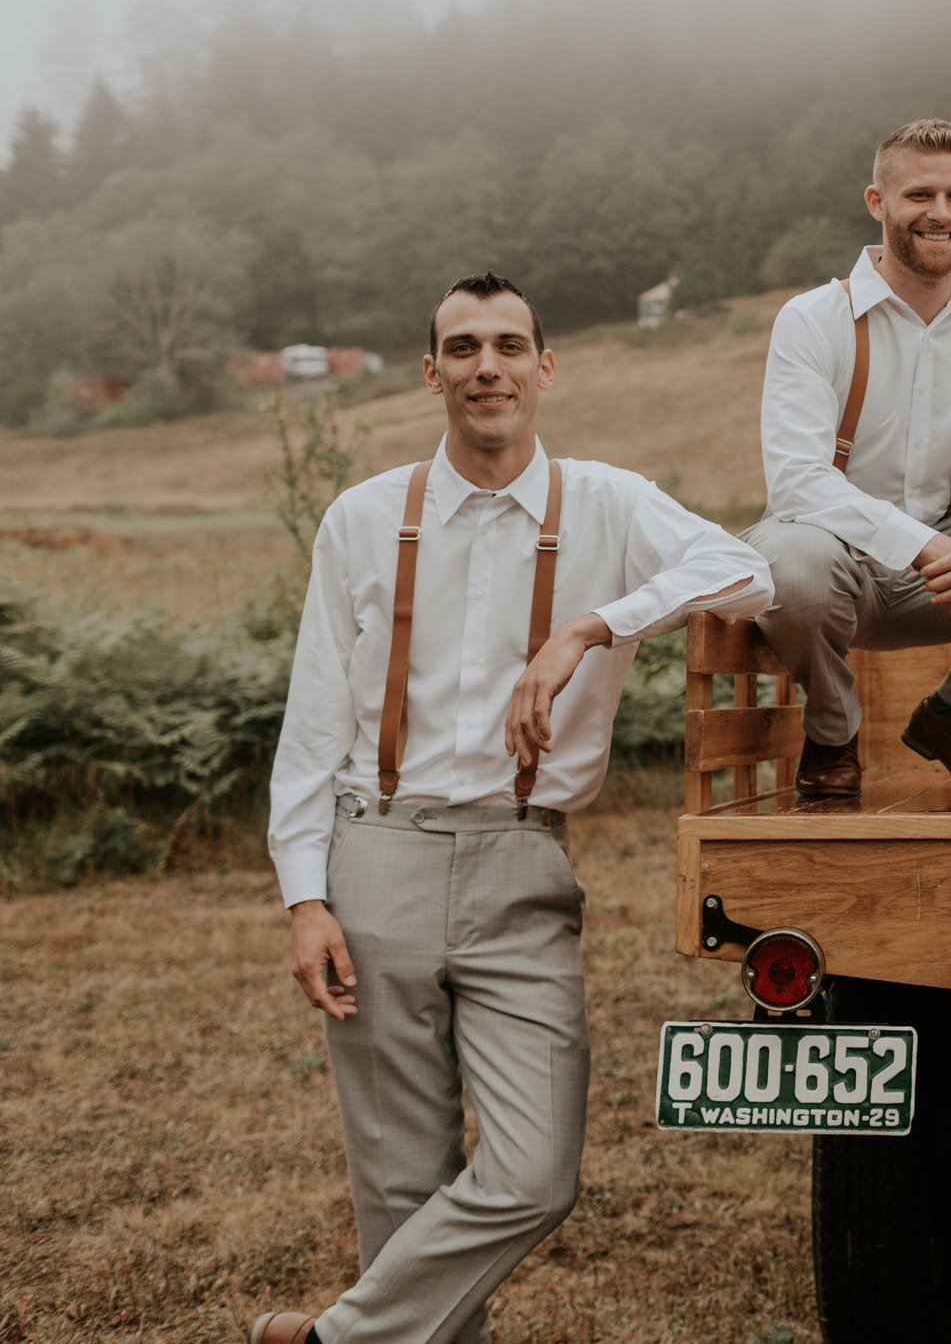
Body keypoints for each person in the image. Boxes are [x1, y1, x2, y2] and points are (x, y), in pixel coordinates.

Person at [249, 274, 772, 1344]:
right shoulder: (361, 517)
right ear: (430, 370)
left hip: (524, 860)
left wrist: (590, 626)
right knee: (399, 1183)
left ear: (546, 365)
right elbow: (310, 725)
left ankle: (331, 1339)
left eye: (508, 344)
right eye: (463, 346)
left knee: (535, 1172)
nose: (487, 364)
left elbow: (746, 568)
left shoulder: (610, 502)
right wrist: (306, 897)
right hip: (376, 849)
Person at [745, 118, 951, 796]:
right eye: (919, 195)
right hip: (830, 557)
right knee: (793, 564)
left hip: (947, 565)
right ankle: (833, 734)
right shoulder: (812, 317)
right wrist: (925, 549)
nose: (940, 213)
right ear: (877, 202)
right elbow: (798, 481)